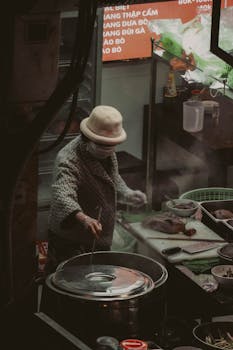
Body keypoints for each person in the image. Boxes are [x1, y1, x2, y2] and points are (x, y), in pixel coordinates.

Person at [45, 105, 147, 273]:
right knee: (68, 283)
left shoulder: (106, 152)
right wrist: (84, 219)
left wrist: (128, 194)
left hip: (98, 236)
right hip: (71, 238)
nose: (108, 149)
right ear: (86, 137)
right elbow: (62, 194)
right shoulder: (69, 159)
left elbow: (112, 178)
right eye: (102, 144)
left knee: (98, 283)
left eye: (112, 145)